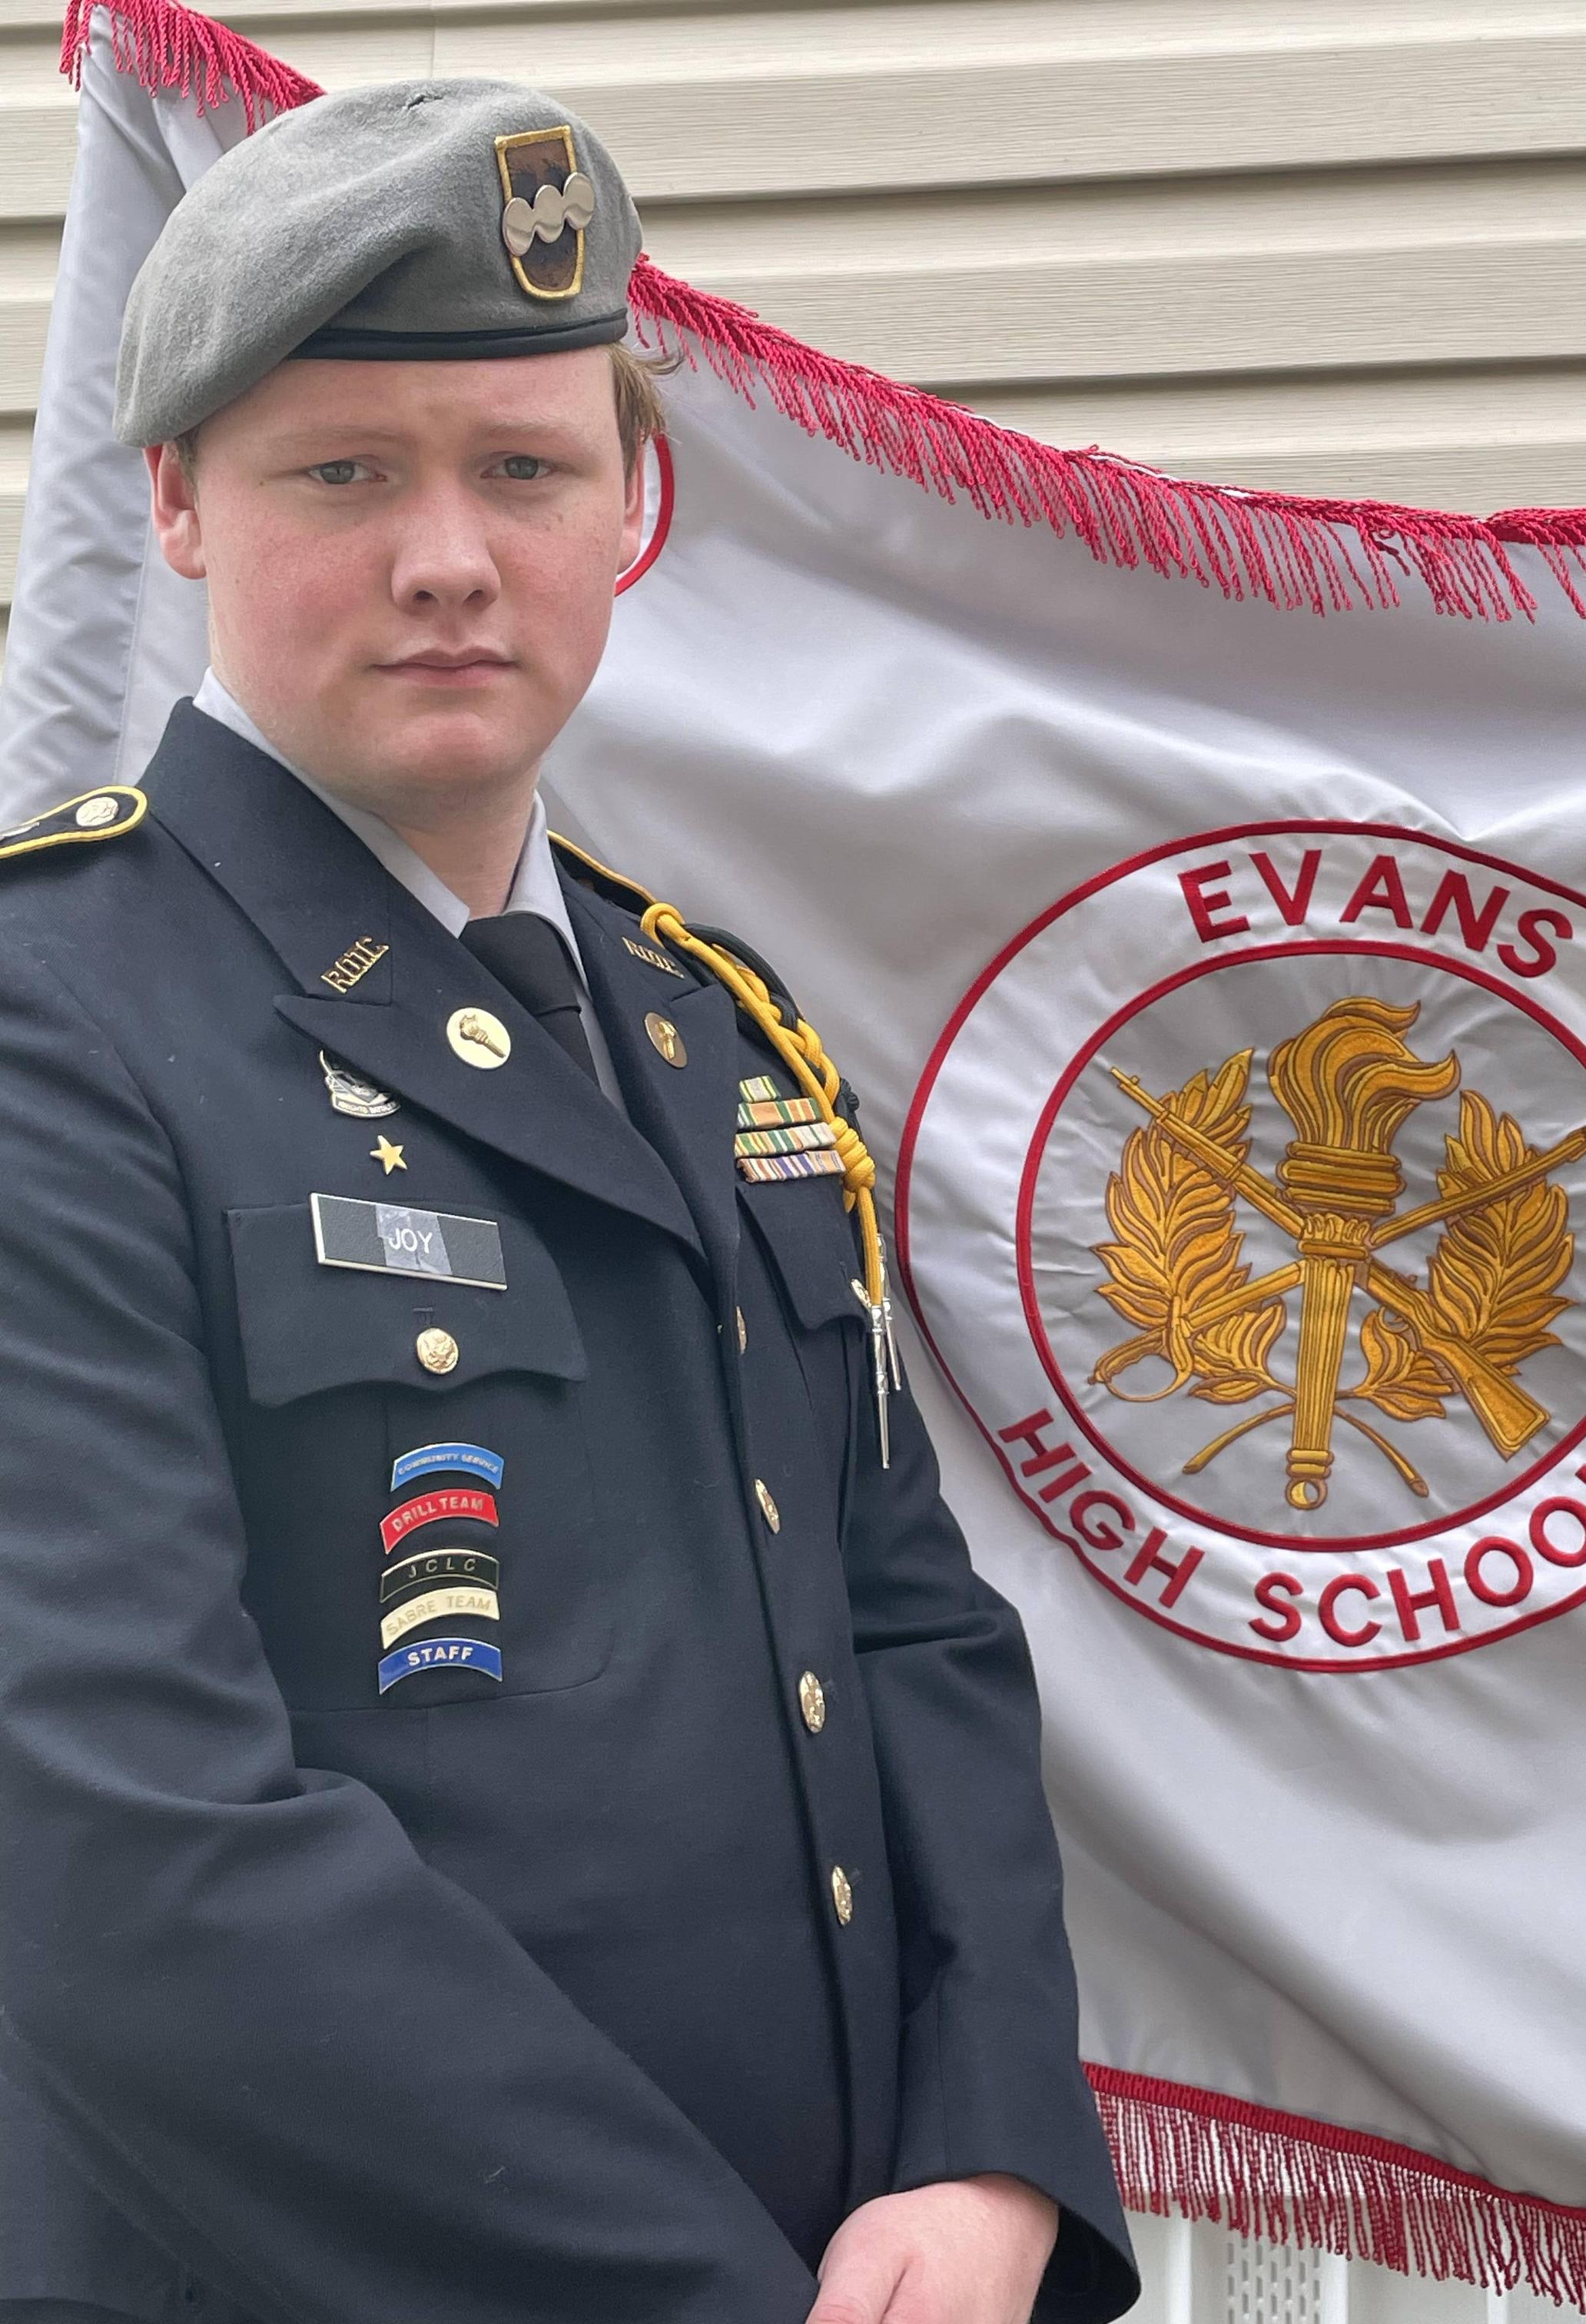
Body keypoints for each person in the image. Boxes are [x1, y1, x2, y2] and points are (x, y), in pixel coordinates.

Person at [0, 73, 1138, 2324]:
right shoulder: (54, 1023)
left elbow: (908, 1628)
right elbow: (115, 1832)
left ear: (627, 506)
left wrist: (990, 2147)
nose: (449, 556)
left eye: (524, 468)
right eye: (346, 472)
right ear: (180, 503)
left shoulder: (710, 1025)